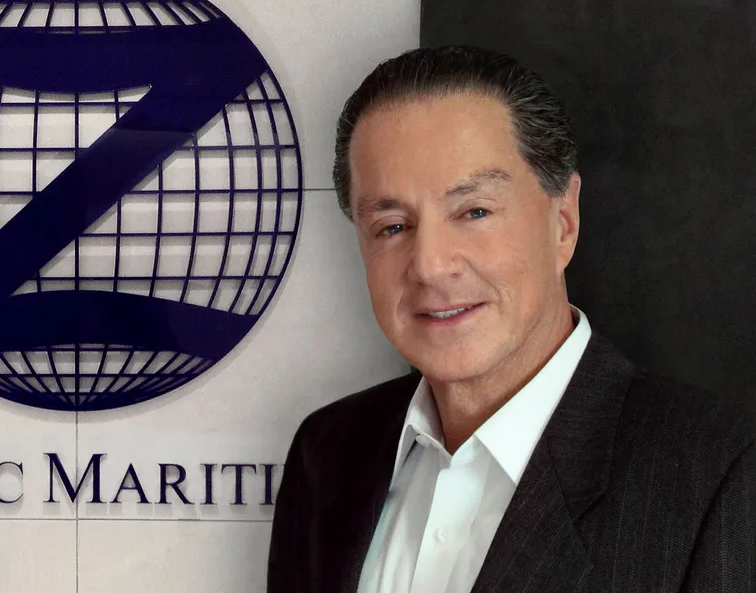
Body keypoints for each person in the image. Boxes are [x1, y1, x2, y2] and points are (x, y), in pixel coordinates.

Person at [267, 45, 754, 593]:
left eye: (474, 211)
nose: (430, 266)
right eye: (392, 226)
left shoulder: (721, 474)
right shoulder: (326, 453)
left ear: (563, 222)